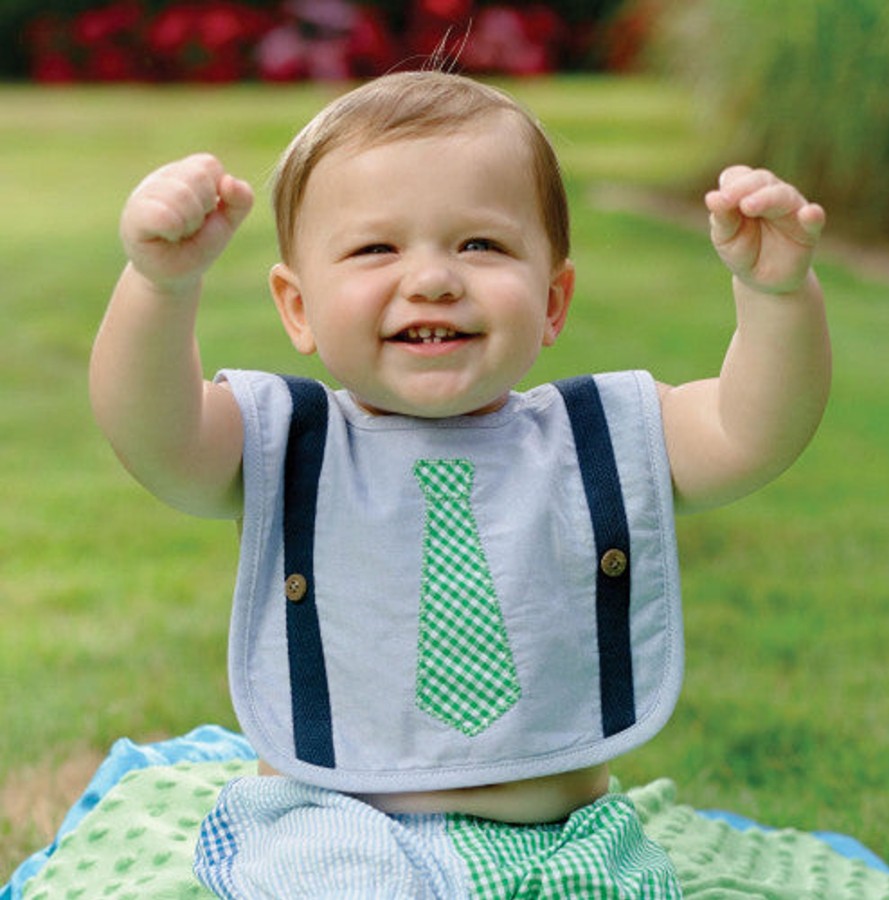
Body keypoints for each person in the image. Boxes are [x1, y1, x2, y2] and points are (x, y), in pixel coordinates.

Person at [89, 70, 830, 898]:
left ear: (553, 302)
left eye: (480, 244)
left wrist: (776, 298)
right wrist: (159, 287)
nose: (434, 278)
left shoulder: (595, 438)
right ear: (297, 309)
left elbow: (749, 431)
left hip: (560, 835)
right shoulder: (288, 439)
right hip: (330, 819)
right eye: (377, 248)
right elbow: (153, 433)